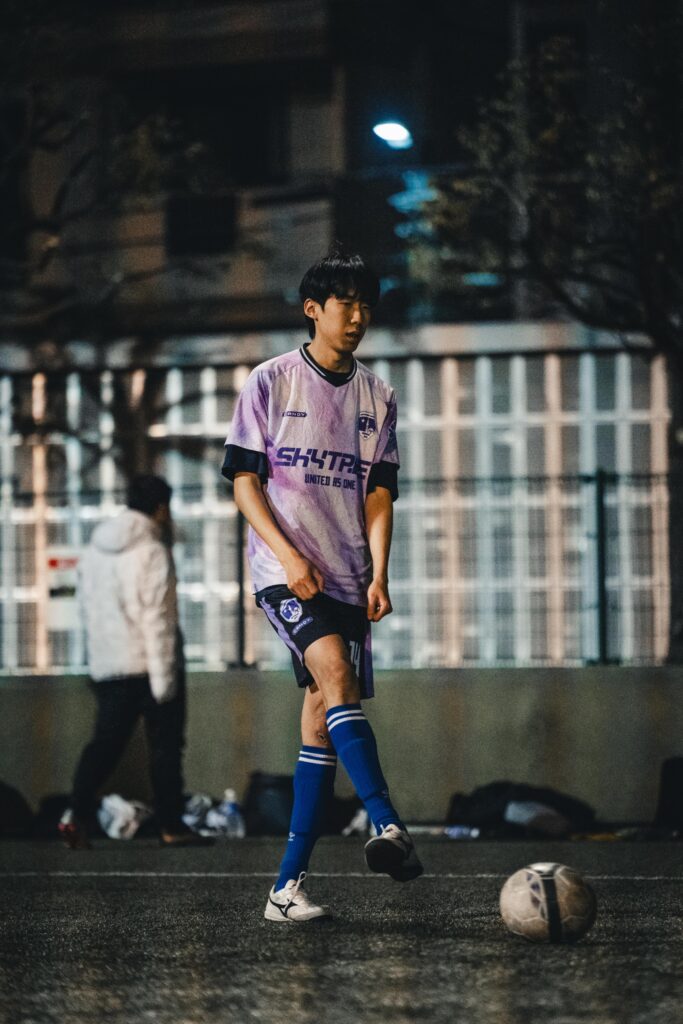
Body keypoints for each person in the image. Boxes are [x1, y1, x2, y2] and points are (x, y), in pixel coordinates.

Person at [222, 246, 422, 922]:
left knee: (319, 723)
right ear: (314, 309)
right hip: (286, 574)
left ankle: (285, 890)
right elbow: (244, 482)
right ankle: (387, 821)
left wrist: (380, 572)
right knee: (334, 673)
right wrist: (288, 558)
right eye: (346, 305)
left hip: (349, 577)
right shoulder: (271, 381)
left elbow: (379, 494)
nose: (358, 317)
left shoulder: (378, 396)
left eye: (366, 306)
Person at [59, 474, 210, 849]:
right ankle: (171, 825)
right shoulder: (153, 550)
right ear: (160, 508)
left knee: (104, 745)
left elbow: (87, 609)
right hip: (150, 665)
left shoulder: (94, 550)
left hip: (109, 666)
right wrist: (164, 681)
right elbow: (158, 619)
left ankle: (76, 815)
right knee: (166, 746)